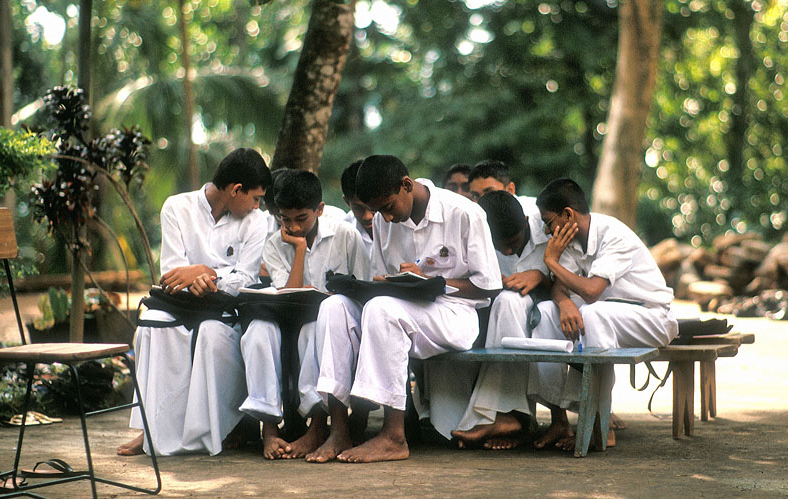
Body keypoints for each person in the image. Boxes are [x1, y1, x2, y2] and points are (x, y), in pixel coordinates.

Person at [311, 154, 502, 463]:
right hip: (402, 308)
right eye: (376, 211)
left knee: (383, 309)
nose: (383, 219)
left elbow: (490, 285)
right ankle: (339, 429)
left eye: (387, 208)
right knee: (335, 307)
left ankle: (394, 436)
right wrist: (373, 284)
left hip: (455, 313)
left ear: (407, 185)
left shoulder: (465, 213)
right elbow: (384, 279)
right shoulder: (383, 220)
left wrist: (434, 281)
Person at [118, 148, 271, 456]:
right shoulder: (177, 207)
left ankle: (210, 431)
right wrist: (195, 280)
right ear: (235, 189)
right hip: (178, 304)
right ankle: (151, 430)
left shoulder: (256, 221)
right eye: (255, 198)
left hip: (224, 309)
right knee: (152, 327)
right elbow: (172, 273)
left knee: (211, 334)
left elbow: (246, 277)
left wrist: (206, 273)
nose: (258, 205)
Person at [528, 178, 678, 451]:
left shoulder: (613, 235)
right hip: (610, 317)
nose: (548, 233)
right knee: (545, 312)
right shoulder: (571, 242)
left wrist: (550, 261)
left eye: (548, 223)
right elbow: (561, 290)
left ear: (568, 214)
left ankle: (600, 425)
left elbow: (592, 291)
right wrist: (563, 303)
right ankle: (559, 418)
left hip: (652, 318)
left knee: (594, 313)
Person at [239, 170, 369, 460]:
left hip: (331, 323)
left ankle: (318, 426)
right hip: (286, 316)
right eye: (285, 219)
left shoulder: (345, 235)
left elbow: (363, 287)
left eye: (301, 218)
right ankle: (270, 430)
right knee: (258, 332)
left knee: (314, 329)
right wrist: (298, 249)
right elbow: (291, 292)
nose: (293, 227)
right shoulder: (276, 243)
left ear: (319, 210)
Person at [452, 190, 554, 450]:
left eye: (514, 242)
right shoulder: (476, 234)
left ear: (525, 223)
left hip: (548, 311)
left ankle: (509, 415)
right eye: (501, 246)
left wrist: (540, 277)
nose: (508, 250)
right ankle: (506, 415)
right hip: (493, 313)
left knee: (508, 303)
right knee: (503, 303)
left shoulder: (547, 227)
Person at [467, 160, 538, 216]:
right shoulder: (472, 219)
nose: (482, 202)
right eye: (475, 196)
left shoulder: (537, 214)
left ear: (510, 190)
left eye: (489, 193)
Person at [340, 159, 375, 253]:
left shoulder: (399, 223)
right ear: (347, 202)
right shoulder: (343, 236)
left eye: (372, 207)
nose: (367, 217)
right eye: (358, 208)